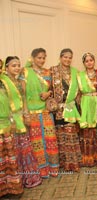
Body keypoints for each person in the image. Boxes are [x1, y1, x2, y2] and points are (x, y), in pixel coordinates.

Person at [1, 56, 42, 188]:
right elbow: (4, 103)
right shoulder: (3, 82)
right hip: (10, 121)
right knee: (14, 151)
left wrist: (26, 115)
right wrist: (11, 119)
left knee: (25, 149)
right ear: (6, 67)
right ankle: (16, 180)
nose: (17, 68)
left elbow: (24, 99)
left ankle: (28, 178)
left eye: (18, 65)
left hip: (21, 119)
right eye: (13, 65)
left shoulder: (19, 81)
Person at [24, 48, 59, 178]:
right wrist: (25, 114)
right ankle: (40, 171)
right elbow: (22, 94)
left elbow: (51, 90)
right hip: (32, 113)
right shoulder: (25, 72)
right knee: (36, 142)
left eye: (44, 57)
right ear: (32, 58)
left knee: (50, 140)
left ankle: (52, 169)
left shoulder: (47, 72)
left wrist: (48, 93)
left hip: (45, 112)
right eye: (39, 57)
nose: (42, 60)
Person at [50, 48, 81, 171]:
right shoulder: (53, 71)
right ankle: (63, 163)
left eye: (70, 57)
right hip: (58, 109)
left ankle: (73, 162)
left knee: (71, 134)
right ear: (60, 57)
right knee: (60, 135)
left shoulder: (76, 72)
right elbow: (48, 87)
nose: (67, 59)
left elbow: (79, 90)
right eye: (65, 57)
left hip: (70, 108)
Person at [0, 58, 24, 197]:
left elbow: (12, 102)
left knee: (9, 158)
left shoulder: (4, 82)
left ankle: (12, 188)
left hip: (6, 124)